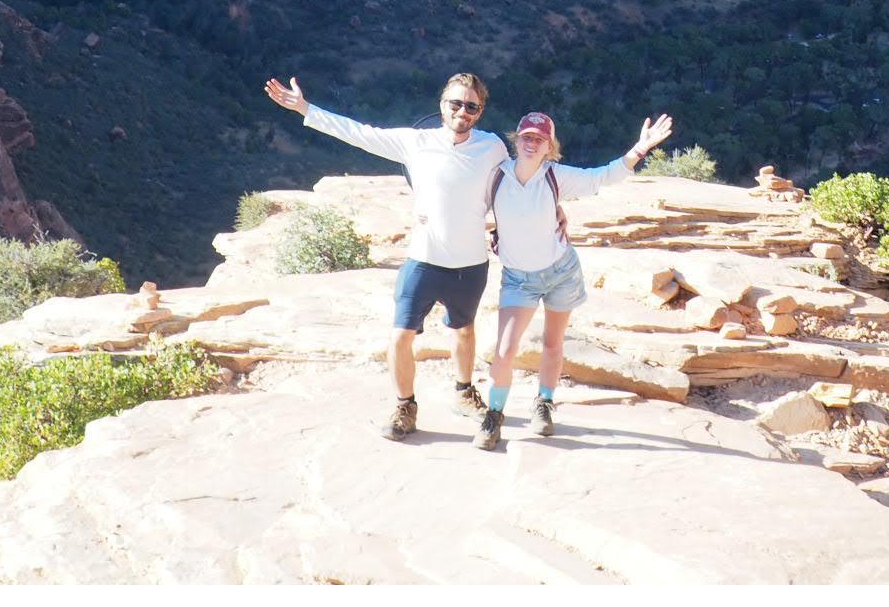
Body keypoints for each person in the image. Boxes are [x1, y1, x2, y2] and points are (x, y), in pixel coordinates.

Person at [264, 69, 505, 440]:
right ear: (442, 105)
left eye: (471, 105)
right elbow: (360, 134)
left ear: (481, 110)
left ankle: (462, 392)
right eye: (456, 103)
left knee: (465, 331)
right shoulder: (415, 142)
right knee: (400, 336)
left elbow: (519, 181)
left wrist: (553, 207)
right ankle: (404, 405)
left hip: (471, 262)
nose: (463, 111)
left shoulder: (492, 147)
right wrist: (306, 109)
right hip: (424, 258)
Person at [475, 107, 674, 449]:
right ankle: (494, 414)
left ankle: (544, 404)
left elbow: (602, 176)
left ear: (550, 147)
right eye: (526, 137)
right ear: (515, 139)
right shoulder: (496, 177)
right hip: (518, 278)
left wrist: (639, 149)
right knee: (505, 349)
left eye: (540, 139)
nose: (531, 144)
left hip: (561, 271)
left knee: (553, 343)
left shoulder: (556, 176)